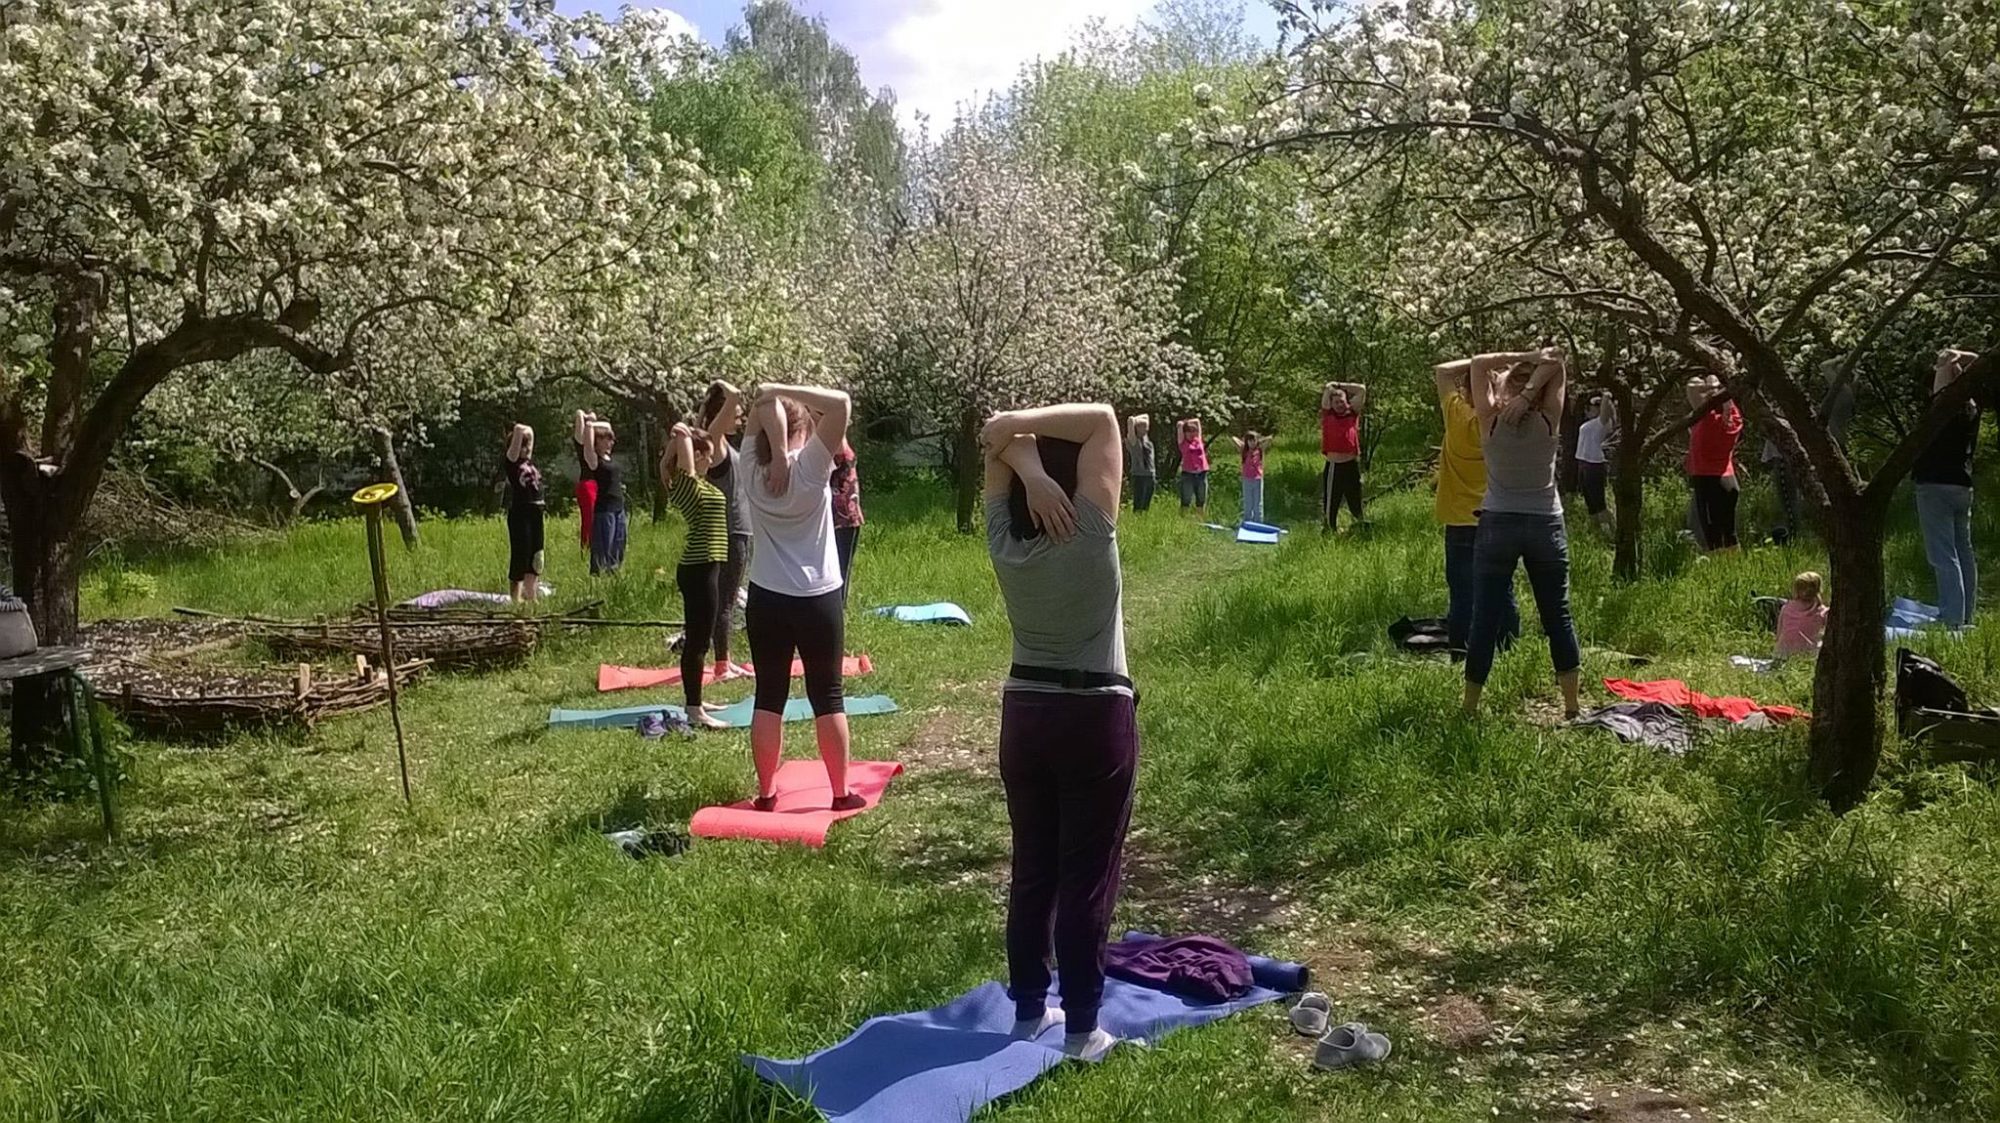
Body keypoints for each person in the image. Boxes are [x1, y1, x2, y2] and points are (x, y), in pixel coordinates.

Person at [980, 401, 1135, 1064]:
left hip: (1025, 713)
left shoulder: (1003, 539)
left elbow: (990, 440)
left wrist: (1025, 464)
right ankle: (1082, 1028)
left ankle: (1026, 1011)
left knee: (1034, 867)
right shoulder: (1093, 528)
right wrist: (1037, 456)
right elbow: (1102, 417)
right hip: (1094, 712)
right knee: (1086, 876)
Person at [743, 382, 861, 812]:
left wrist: (768, 402)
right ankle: (840, 794)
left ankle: (766, 794)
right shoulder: (812, 465)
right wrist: (780, 387)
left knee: (768, 694)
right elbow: (842, 404)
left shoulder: (751, 468)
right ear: (803, 428)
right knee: (827, 695)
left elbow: (759, 406)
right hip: (817, 597)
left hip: (766, 597)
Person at [1463, 347, 1582, 720]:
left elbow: (1478, 364)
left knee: (1484, 616)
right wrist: (1533, 385)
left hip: (1498, 521)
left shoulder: (1491, 421)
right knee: (1557, 617)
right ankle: (1572, 707)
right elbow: (1559, 362)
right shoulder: (1549, 419)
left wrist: (1522, 355)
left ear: (1504, 387)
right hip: (1545, 522)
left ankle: (1469, 707)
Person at [1432, 358, 1519, 655]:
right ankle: (1508, 649)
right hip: (1497, 517)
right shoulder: (1504, 422)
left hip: (1460, 521)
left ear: (1467, 390)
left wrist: (1478, 363)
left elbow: (1443, 371)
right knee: (1502, 589)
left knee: (1462, 593)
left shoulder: (1456, 415)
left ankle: (1461, 652)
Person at [661, 423, 732, 730]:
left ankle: (696, 700)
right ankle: (693, 710)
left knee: (702, 636)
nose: (712, 461)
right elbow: (684, 457)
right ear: (698, 455)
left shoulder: (699, 485)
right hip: (698, 568)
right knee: (698, 641)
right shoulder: (686, 485)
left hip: (708, 566)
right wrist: (683, 436)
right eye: (709, 455)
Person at [1914, 348, 1982, 627]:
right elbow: (1978, 361)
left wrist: (1948, 357)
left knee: (1943, 555)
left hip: (1935, 485)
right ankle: (1965, 615)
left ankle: (1952, 618)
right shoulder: (1972, 408)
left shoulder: (1944, 407)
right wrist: (1957, 359)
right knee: (1963, 552)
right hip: (1962, 485)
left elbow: (1945, 377)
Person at [699, 381, 753, 681]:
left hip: (738, 530)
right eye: (736, 414)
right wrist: (720, 388)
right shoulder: (714, 441)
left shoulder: (715, 441)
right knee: (726, 600)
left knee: (726, 599)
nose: (740, 418)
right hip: (732, 530)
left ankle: (724, 660)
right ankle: (722, 664)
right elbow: (731, 396)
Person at [1685, 375, 1743, 552]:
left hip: (1709, 480)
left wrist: (1710, 388)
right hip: (1729, 480)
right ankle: (1737, 568)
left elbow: (1691, 386)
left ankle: (1719, 572)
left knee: (1713, 536)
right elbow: (1728, 401)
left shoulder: (1707, 419)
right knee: (1729, 533)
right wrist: (1718, 386)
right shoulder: (1734, 420)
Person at [574, 410, 627, 574]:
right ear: (598, 442)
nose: (610, 443)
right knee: (604, 545)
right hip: (605, 510)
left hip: (619, 508)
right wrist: (590, 423)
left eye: (611, 439)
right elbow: (587, 447)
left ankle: (614, 574)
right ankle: (599, 575)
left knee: (618, 544)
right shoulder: (594, 460)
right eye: (606, 439)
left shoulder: (610, 459)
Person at [503, 424, 545, 603]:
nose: (527, 449)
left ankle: (531, 595)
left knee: (537, 555)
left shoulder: (529, 462)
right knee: (522, 553)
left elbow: (531, 435)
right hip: (521, 513)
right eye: (523, 445)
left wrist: (530, 435)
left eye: (528, 446)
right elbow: (520, 429)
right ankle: (516, 597)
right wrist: (523, 432)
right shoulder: (511, 462)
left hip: (537, 511)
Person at [1320, 381, 1367, 531]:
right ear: (1331, 404)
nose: (1339, 404)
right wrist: (1331, 387)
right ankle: (1329, 529)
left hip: (1351, 464)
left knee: (1355, 498)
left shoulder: (1352, 412)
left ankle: (1359, 526)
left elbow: (1361, 390)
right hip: (1335, 466)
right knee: (1331, 501)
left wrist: (1340, 385)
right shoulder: (1328, 414)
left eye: (1342, 401)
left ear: (1346, 401)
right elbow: (1327, 390)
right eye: (1336, 402)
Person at [1575, 394, 1614, 535]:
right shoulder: (1589, 423)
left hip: (1594, 465)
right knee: (1590, 502)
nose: (1591, 409)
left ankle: (1613, 531)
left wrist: (1605, 395)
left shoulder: (1603, 422)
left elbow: (1606, 402)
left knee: (1599, 502)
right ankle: (1596, 533)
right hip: (1583, 463)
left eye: (1595, 406)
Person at [831, 440, 864, 602]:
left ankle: (840, 608)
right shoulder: (831, 439)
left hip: (847, 515)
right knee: (838, 568)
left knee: (842, 567)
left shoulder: (837, 437)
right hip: (838, 515)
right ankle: (837, 607)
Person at [1776, 570, 1828, 659]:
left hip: (1782, 654)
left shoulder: (1787, 607)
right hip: (1809, 655)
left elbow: (1779, 632)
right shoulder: (1823, 611)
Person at [1230, 430, 1274, 524]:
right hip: (1247, 479)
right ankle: (1247, 522)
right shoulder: (1244, 450)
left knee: (1258, 503)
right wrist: (1244, 443)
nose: (1252, 443)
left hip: (1257, 479)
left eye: (1253, 440)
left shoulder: (1260, 450)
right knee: (1248, 503)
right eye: (1249, 441)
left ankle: (1258, 522)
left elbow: (1269, 439)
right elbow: (1233, 439)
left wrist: (1259, 441)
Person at [572, 412, 601, 556]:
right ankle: (587, 549)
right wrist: (586, 416)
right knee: (589, 519)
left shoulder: (599, 444)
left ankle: (597, 548)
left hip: (599, 484)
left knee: (599, 519)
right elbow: (578, 415)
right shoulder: (581, 444)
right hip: (587, 485)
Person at [1176, 418, 1211, 515]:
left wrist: (1190, 422)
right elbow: (1179, 424)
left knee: (1201, 499)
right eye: (1188, 431)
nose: (1192, 434)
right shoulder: (1183, 444)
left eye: (1194, 431)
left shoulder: (1198, 441)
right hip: (1188, 475)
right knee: (1186, 500)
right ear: (1185, 433)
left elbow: (1197, 421)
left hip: (1201, 474)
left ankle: (1200, 520)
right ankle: (1183, 520)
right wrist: (1184, 424)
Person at [1125, 415, 1157, 513]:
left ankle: (1144, 520)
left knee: (1146, 503)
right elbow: (1130, 420)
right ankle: (1137, 519)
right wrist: (1135, 421)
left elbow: (1147, 416)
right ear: (1136, 427)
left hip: (1150, 475)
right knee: (1138, 502)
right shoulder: (1134, 441)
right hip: (1139, 475)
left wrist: (1143, 421)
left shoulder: (1147, 442)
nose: (1145, 428)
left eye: (1145, 426)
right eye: (1141, 426)